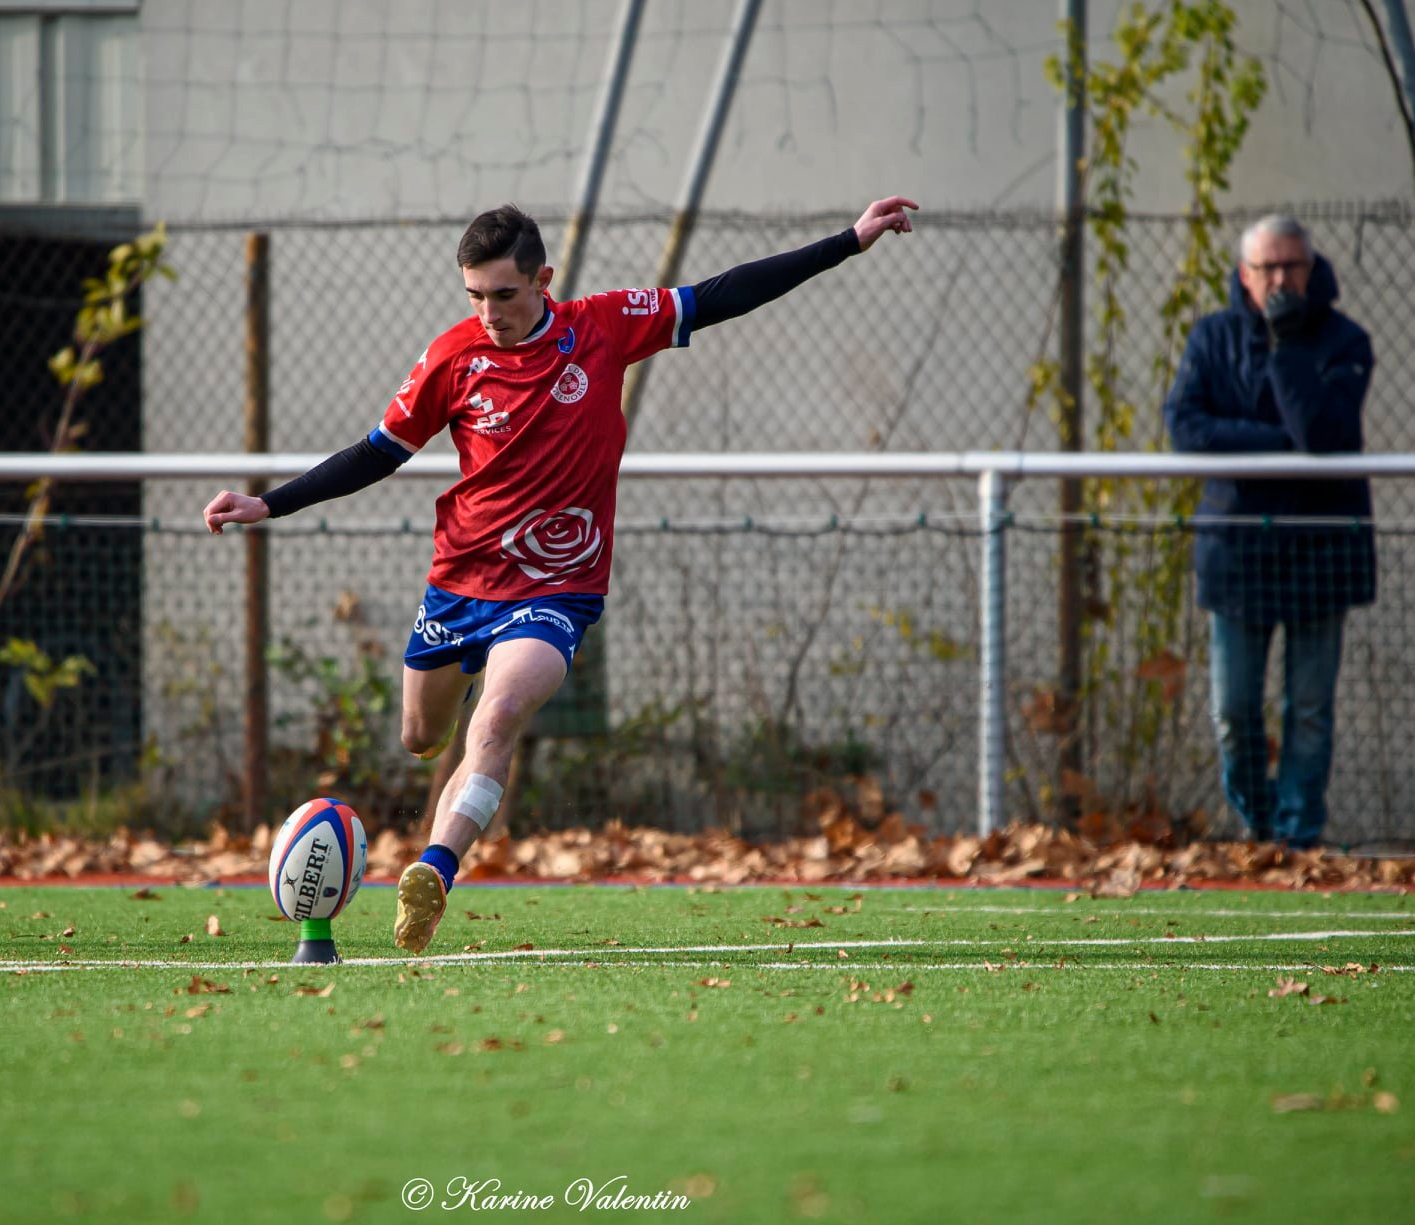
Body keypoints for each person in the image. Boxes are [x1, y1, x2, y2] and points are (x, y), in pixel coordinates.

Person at [206, 196, 919, 950]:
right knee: (421, 736)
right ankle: (441, 817)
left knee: (500, 715)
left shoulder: (602, 326)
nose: (489, 313)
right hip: (459, 582)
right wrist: (270, 504)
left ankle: (435, 871)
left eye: (504, 295)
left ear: (544, 279)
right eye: (474, 296)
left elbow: (720, 294)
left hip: (555, 589)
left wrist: (848, 240)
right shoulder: (453, 357)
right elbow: (378, 451)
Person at [1163, 213, 1376, 849]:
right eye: (1268, 268)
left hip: (1323, 548)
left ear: (1312, 272)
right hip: (1236, 552)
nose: (1281, 279)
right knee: (1234, 714)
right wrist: (1276, 446)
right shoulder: (1212, 338)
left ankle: (1298, 838)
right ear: (1244, 275)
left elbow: (1321, 435)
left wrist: (1288, 350)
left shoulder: (1345, 342)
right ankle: (1259, 830)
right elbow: (1186, 428)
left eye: (1293, 266)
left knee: (1308, 712)